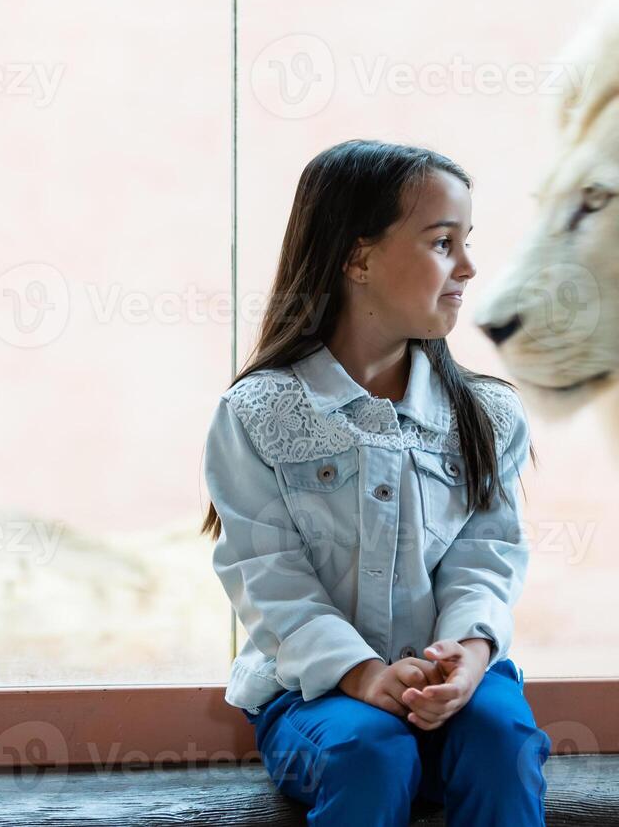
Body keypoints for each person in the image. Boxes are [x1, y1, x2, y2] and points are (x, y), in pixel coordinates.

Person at [199, 139, 550, 826]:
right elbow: (270, 580)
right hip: (315, 694)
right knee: (373, 752)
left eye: (466, 241)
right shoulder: (257, 414)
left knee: (500, 740)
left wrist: (468, 657)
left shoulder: (488, 415)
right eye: (442, 242)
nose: (470, 267)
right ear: (357, 258)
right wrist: (363, 676)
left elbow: (487, 559)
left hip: (459, 684)